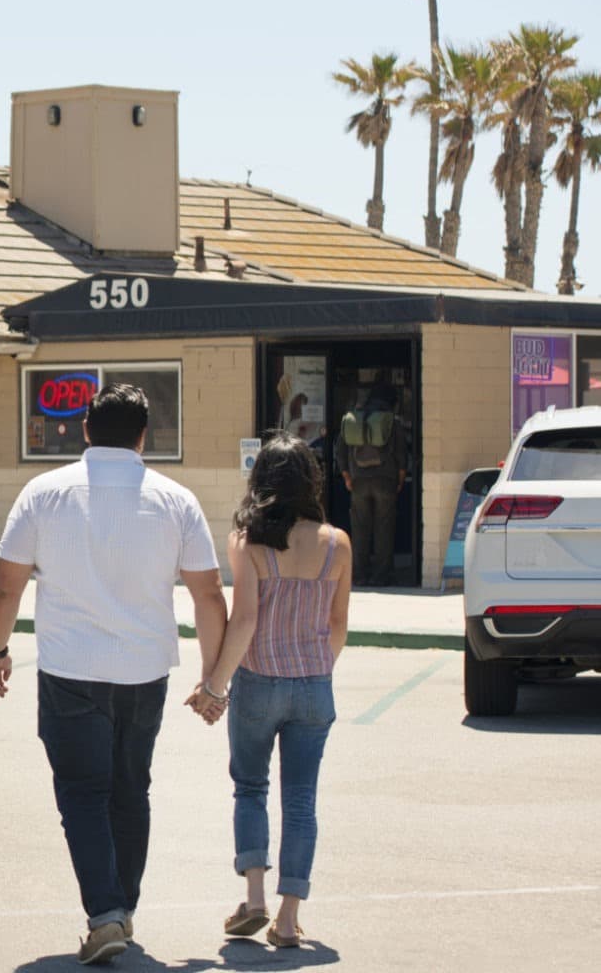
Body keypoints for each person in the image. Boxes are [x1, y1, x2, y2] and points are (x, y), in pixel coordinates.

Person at [0, 383, 230, 965]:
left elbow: (4, 586)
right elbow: (209, 595)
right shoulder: (176, 499)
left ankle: (106, 914)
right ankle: (120, 908)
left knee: (83, 793)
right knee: (129, 788)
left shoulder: (44, 493)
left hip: (71, 669)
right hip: (146, 672)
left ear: (86, 431)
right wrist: (213, 676)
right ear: (145, 436)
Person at [192, 434, 351, 950]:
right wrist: (314, 668)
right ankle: (287, 919)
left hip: (259, 681)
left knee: (251, 787)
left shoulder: (248, 540)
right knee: (302, 801)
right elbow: (338, 626)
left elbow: (245, 621)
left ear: (261, 481)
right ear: (311, 481)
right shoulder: (338, 543)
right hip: (314, 686)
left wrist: (214, 686)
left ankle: (255, 898)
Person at [337, 383, 406, 587]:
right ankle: (381, 576)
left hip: (358, 482)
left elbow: (340, 451)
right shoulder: (391, 422)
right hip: (385, 481)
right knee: (384, 529)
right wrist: (400, 480)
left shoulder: (353, 420)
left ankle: (359, 575)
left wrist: (347, 477)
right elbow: (402, 455)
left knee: (360, 530)